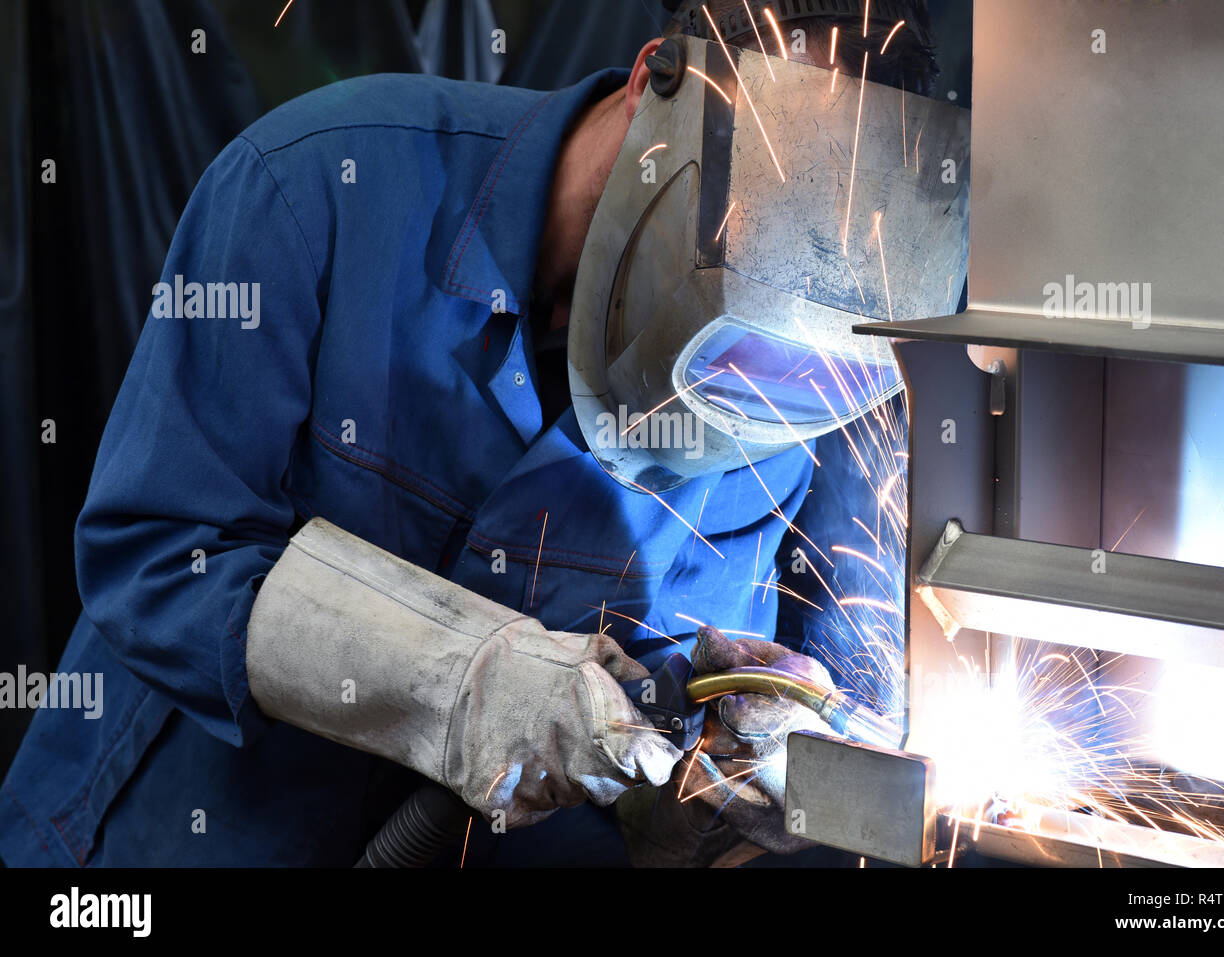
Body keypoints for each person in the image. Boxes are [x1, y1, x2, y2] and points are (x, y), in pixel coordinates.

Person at [0, 0, 956, 867]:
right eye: (737, 305)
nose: (745, 393)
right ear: (649, 95)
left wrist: (699, 756)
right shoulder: (320, 186)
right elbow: (161, 555)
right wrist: (468, 680)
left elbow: (679, 711)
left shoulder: (822, 390)